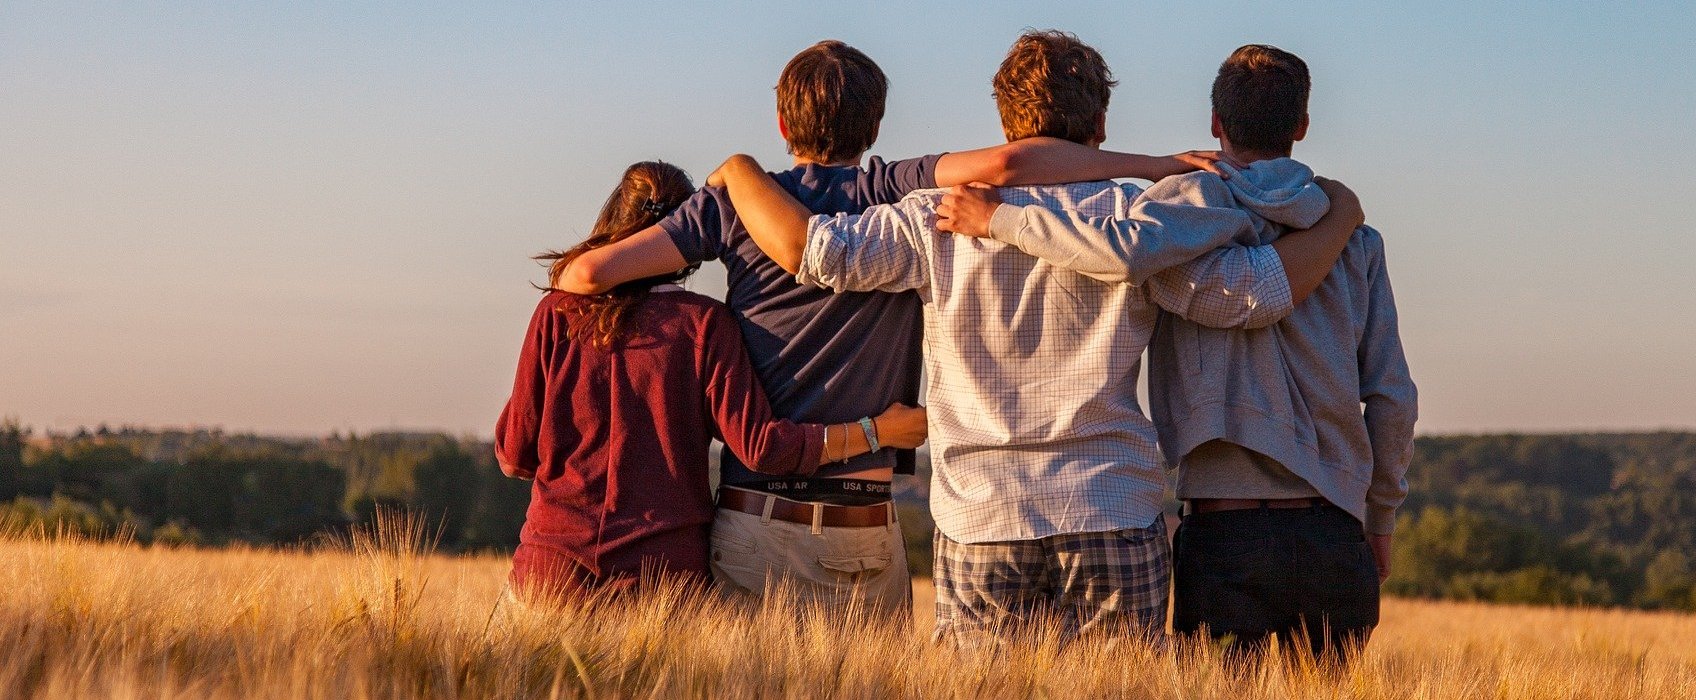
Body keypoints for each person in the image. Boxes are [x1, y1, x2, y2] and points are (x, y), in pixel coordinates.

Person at [707, 31, 1364, 645]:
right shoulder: (1140, 218)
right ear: (1100, 125)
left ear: (1004, 124)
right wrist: (1338, 220)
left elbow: (817, 253)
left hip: (981, 517)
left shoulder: (934, 216)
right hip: (1111, 506)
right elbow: (1249, 296)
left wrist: (739, 171)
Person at [549, 40, 1224, 616]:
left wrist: (727, 185)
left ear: (782, 123)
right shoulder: (892, 189)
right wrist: (1153, 166)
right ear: (874, 126)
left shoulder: (734, 206)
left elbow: (584, 279)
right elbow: (1012, 165)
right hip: (865, 524)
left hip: (756, 516)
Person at [935, 45, 1418, 662]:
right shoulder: (1355, 239)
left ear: (1215, 123)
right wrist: (1379, 518)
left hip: (1223, 531)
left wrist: (1001, 219)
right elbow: (1392, 398)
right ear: (1301, 126)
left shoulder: (1172, 219)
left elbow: (1119, 252)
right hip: (1335, 528)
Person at [495, 161, 928, 604]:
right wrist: (878, 432)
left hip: (551, 571)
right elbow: (762, 448)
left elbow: (515, 456)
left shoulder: (557, 314)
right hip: (662, 582)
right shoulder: (704, 325)